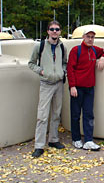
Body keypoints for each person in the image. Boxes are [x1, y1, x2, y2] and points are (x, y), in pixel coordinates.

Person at [67, 29, 104, 151]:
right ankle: (76, 139)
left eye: (92, 37)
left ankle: (88, 140)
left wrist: (102, 58)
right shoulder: (76, 50)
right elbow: (70, 68)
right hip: (77, 88)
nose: (90, 39)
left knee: (88, 114)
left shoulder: (94, 50)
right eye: (88, 36)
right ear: (83, 37)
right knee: (75, 115)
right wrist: (72, 86)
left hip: (89, 88)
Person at [28, 21, 67, 158]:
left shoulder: (62, 47)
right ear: (48, 31)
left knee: (56, 114)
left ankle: (53, 140)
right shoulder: (40, 46)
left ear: (60, 31)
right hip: (46, 84)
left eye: (57, 29)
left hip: (58, 84)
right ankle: (39, 146)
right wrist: (42, 72)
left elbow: (64, 62)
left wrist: (63, 72)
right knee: (42, 116)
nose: (55, 31)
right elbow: (31, 63)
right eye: (52, 29)